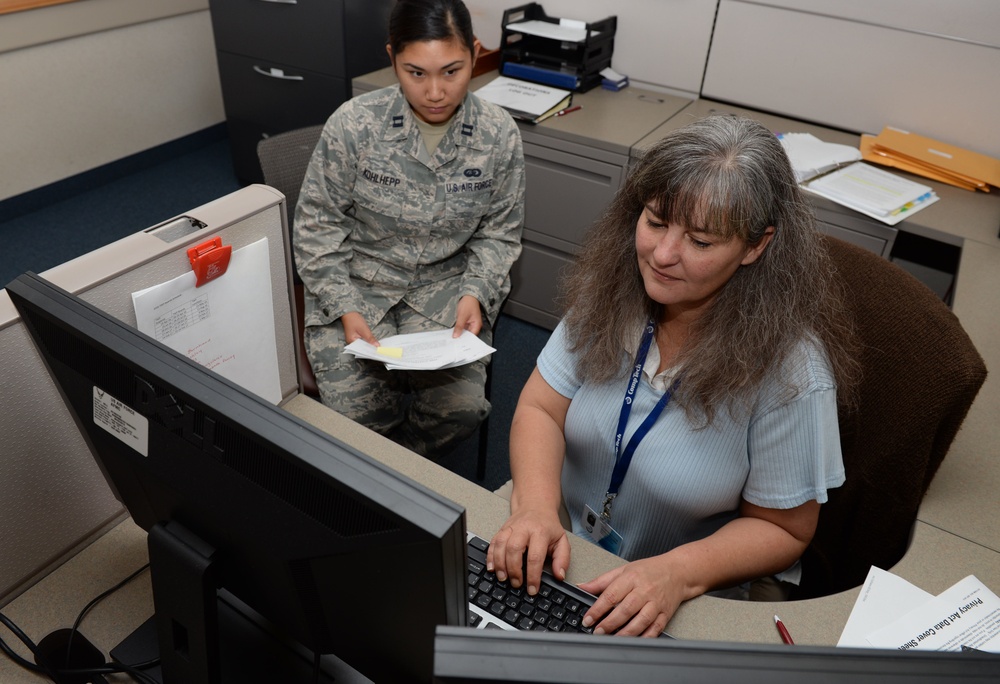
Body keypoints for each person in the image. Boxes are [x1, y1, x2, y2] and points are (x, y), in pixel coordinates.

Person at [486, 115, 860, 637]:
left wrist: (677, 574)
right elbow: (540, 408)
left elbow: (784, 528)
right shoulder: (614, 289)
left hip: (685, 593)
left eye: (701, 241)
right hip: (563, 550)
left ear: (756, 246)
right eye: (656, 221)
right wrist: (534, 508)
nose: (662, 255)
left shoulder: (792, 373)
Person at [293, 0, 524, 457]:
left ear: (476, 55)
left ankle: (405, 467)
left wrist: (476, 292)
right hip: (357, 285)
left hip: (446, 289)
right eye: (416, 72)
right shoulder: (354, 124)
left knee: (459, 410)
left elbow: (499, 232)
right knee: (356, 418)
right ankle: (377, 472)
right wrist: (343, 308)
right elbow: (317, 228)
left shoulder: (499, 134)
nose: (435, 91)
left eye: (452, 71)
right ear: (392, 58)